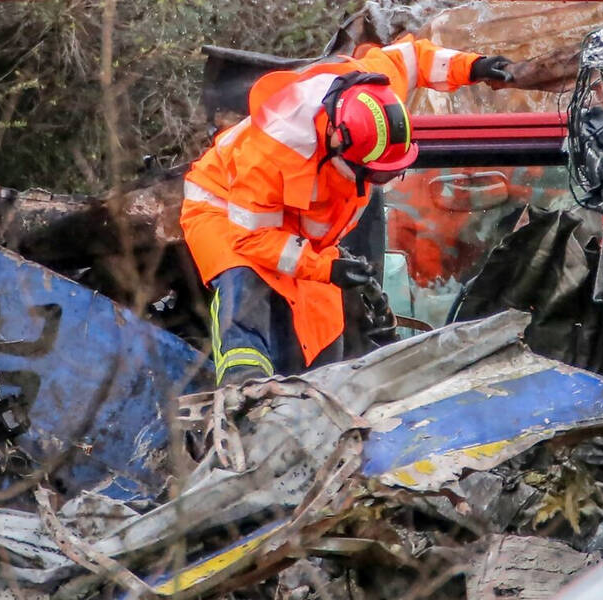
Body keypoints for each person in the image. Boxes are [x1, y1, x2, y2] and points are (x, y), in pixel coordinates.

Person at [181, 35, 514, 386]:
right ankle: (244, 392)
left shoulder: (374, 98)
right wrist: (326, 266)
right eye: (376, 173)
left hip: (294, 227)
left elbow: (413, 57)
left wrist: (474, 66)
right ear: (339, 144)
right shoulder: (274, 154)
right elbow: (253, 239)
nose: (380, 182)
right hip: (224, 209)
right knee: (246, 284)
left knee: (321, 331)